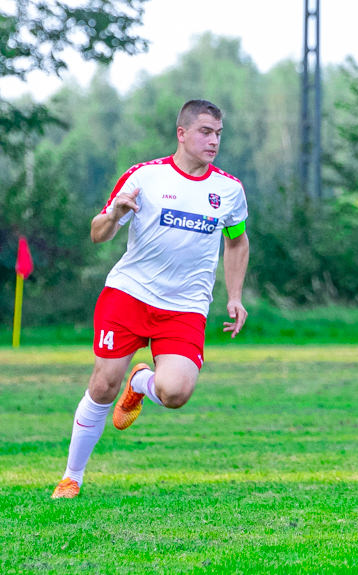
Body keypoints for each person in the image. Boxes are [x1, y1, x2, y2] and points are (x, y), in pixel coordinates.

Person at [52, 99, 250, 499]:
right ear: (182, 133)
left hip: (185, 308)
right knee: (104, 386)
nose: (214, 141)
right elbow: (97, 233)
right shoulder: (144, 177)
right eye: (205, 132)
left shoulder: (228, 190)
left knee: (176, 393)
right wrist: (113, 215)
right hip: (129, 295)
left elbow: (237, 241)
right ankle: (72, 477)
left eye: (218, 134)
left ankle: (141, 382)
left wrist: (235, 296)